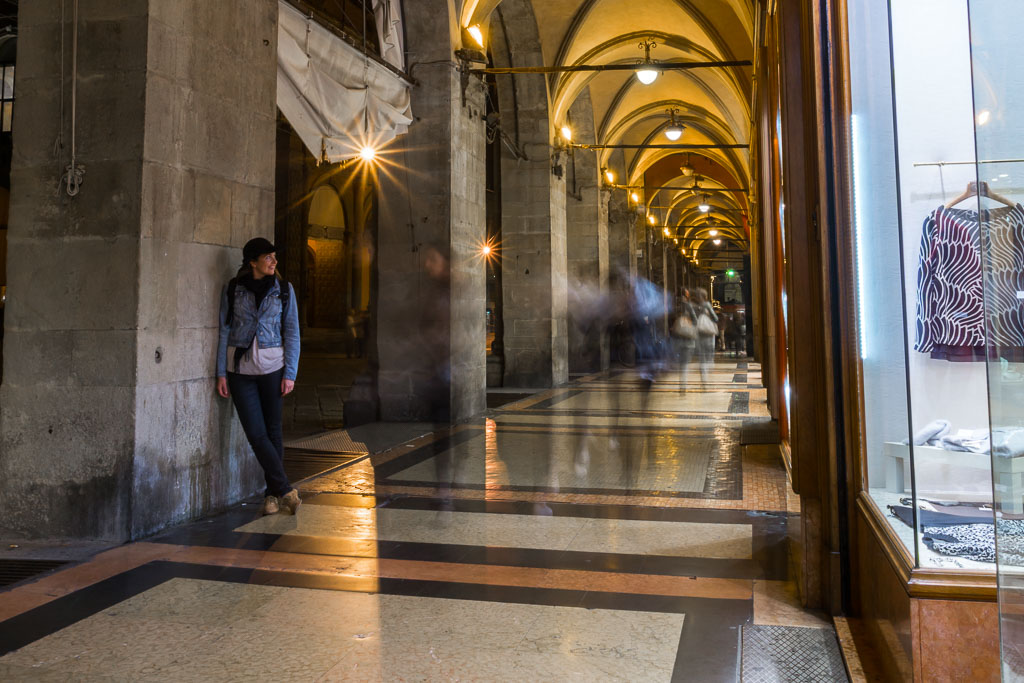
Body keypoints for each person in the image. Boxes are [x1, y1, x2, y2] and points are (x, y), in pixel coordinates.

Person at [216, 237, 302, 516]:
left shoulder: (284, 290)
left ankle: (272, 496)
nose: (274, 262)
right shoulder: (233, 289)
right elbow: (224, 331)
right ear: (252, 262)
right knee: (256, 433)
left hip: (273, 368)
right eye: (268, 257)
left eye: (274, 257)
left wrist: (290, 373)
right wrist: (221, 372)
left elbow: (292, 332)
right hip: (240, 371)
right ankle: (285, 488)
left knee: (273, 432)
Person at [672, 289, 698, 391]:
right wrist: (689, 322)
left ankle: (681, 382)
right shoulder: (688, 305)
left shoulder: (674, 306)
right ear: (686, 295)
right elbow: (695, 321)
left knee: (680, 362)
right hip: (687, 340)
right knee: (685, 363)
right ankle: (683, 383)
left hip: (677, 339)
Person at [693, 288, 718, 386]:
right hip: (707, 334)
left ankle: (704, 378)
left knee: (702, 356)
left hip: (699, 334)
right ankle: (705, 377)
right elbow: (715, 318)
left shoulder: (696, 307)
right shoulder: (707, 305)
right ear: (705, 296)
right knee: (708, 354)